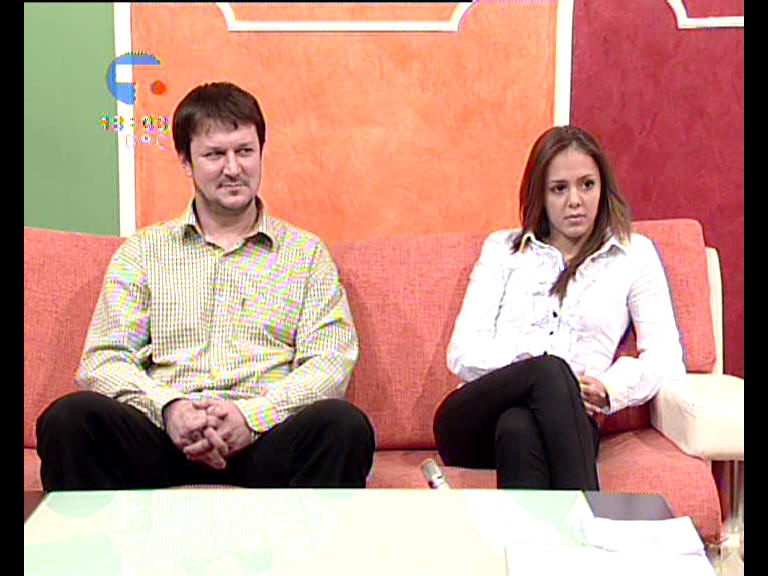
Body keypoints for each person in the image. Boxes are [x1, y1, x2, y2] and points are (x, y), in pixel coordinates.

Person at [36, 82, 375, 490]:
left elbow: (330, 360)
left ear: (261, 152)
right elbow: (103, 361)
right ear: (186, 161)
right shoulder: (143, 252)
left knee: (344, 426)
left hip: (265, 439)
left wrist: (251, 417)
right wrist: (170, 409)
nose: (233, 169)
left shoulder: (306, 254)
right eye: (215, 155)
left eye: (244, 151)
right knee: (69, 420)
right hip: (161, 438)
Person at [433, 125, 685, 490]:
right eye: (559, 189)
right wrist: (538, 369)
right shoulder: (503, 249)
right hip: (472, 423)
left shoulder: (635, 255)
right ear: (540, 193)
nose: (575, 201)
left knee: (519, 427)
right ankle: (590, 514)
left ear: (603, 187)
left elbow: (665, 358)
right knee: (551, 371)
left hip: (565, 422)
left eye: (587, 185)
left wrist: (609, 388)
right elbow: (462, 353)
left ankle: (543, 532)